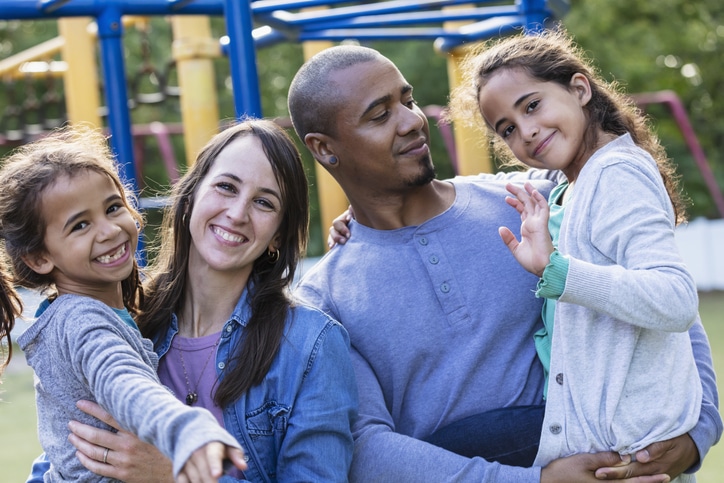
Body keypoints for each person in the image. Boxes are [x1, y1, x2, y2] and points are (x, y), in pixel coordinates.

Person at [287, 44, 722, 482]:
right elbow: (366, 448)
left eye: (408, 100)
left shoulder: (533, 198)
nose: (413, 120)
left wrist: (698, 430)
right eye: (380, 115)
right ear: (324, 149)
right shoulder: (324, 298)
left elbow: (656, 297)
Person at [27, 118, 358, 482]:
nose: (237, 213)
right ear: (189, 199)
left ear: (278, 234)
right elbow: (61, 452)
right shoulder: (125, 319)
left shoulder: (311, 346)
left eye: (264, 202)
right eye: (226, 187)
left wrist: (172, 474)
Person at [450, 28, 702, 479]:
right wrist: (366, 213)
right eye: (507, 128)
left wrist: (557, 271)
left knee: (433, 453)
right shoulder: (570, 184)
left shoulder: (616, 173)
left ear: (579, 89)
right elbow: (478, 188)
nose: (526, 130)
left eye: (532, 105)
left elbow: (676, 298)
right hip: (597, 426)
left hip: (621, 442)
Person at [1, 125, 245, 482]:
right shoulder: (82, 321)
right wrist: (186, 430)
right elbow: (125, 382)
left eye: (113, 207)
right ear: (39, 258)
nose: (109, 229)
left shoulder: (78, 311)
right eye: (80, 225)